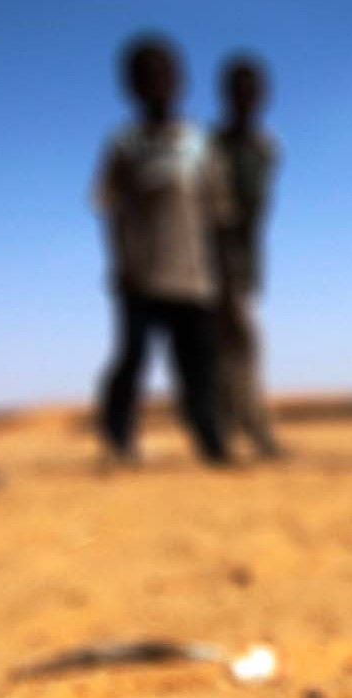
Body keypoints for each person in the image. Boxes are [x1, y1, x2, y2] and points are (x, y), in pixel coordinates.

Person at [92, 34, 235, 468]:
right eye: (145, 76)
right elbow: (108, 208)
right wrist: (121, 263)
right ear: (130, 86)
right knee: (132, 358)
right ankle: (118, 441)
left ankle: (211, 441)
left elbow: (218, 213)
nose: (157, 84)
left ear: (180, 81)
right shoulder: (123, 145)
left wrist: (225, 275)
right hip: (140, 276)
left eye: (165, 74)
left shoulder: (199, 144)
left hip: (194, 277)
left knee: (198, 365)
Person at [213, 54, 287, 462]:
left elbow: (257, 208)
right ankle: (248, 431)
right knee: (234, 344)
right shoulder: (210, 146)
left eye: (253, 91)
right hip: (211, 257)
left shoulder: (266, 147)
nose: (247, 99)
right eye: (239, 91)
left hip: (245, 257)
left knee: (237, 344)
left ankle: (234, 429)